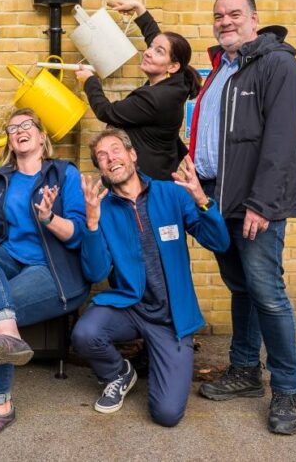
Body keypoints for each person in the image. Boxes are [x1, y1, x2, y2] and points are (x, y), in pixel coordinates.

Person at [190, 0, 296, 435]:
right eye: (218, 15)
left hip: (253, 201)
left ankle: (286, 390)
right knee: (241, 287)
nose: (225, 21)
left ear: (254, 19)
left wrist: (261, 202)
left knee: (267, 293)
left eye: (234, 14)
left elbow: (282, 142)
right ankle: (244, 372)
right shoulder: (224, 68)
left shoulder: (278, 65)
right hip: (219, 197)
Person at [73, 129, 229, 426]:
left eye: (116, 150)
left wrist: (201, 199)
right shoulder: (100, 209)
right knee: (85, 333)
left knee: (167, 414)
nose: (110, 158)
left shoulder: (171, 194)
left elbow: (219, 242)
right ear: (100, 169)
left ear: (132, 155)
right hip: (129, 308)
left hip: (171, 319)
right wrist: (92, 224)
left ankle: (162, 357)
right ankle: (119, 373)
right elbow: (94, 272)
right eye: (102, 156)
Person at [0, 108, 90, 440]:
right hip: (12, 259)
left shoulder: (64, 174)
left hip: (54, 271)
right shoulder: (1, 182)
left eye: (27, 124)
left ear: (42, 135)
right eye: (13, 128)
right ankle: (11, 337)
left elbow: (77, 234)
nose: (19, 130)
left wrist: (48, 218)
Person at [75, 0, 201, 180]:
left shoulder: (157, 98)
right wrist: (139, 9)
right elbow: (158, 39)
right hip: (157, 172)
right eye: (151, 47)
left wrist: (89, 81)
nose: (148, 52)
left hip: (147, 181)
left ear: (172, 66)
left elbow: (107, 111)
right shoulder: (176, 80)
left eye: (159, 52)